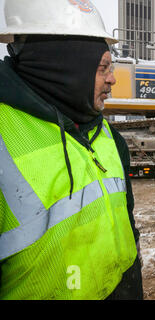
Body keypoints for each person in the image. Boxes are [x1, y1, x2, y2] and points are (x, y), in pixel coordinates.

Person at [0, 0, 143, 299]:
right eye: (103, 67)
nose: (113, 78)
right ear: (63, 67)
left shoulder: (109, 136)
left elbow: (126, 221)